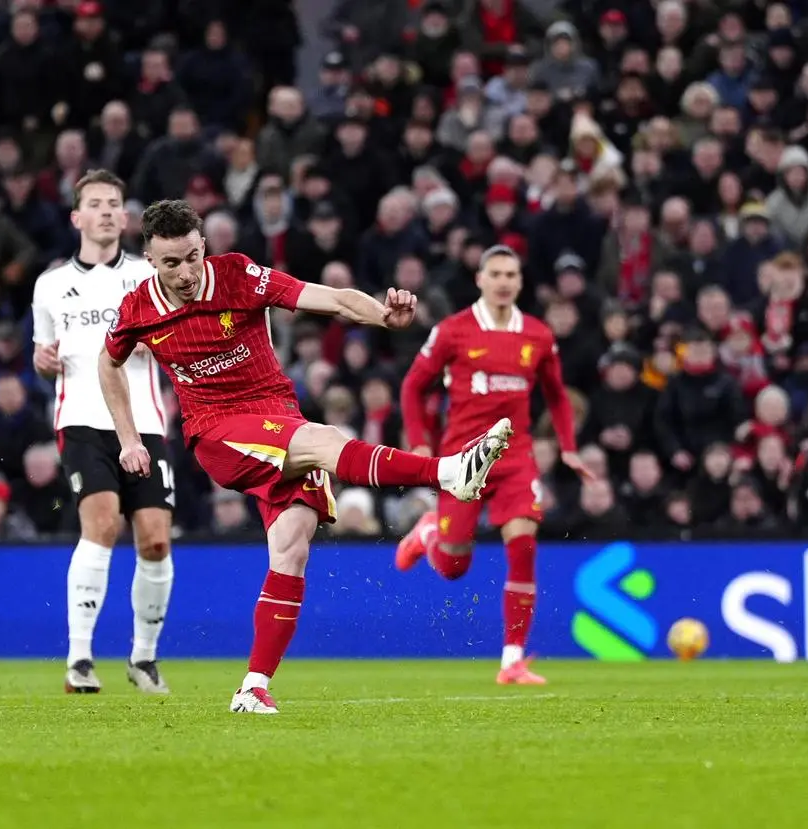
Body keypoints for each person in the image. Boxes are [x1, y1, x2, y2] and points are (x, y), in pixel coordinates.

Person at [99, 200, 511, 714]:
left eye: (191, 258)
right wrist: (129, 438)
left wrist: (382, 316)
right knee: (327, 439)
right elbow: (108, 362)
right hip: (218, 432)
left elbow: (333, 300)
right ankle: (447, 474)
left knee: (291, 550)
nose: (184, 273)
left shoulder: (238, 275)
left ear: (204, 246)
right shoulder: (139, 308)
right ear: (150, 260)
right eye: (170, 263)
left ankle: (252, 686)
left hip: (277, 418)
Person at [395, 245, 588, 685]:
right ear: (480, 279)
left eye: (511, 274)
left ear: (520, 283)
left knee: (523, 548)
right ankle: (428, 533)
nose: (503, 281)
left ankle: (512, 661)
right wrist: (421, 442)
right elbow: (412, 386)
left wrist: (569, 446)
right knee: (454, 568)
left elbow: (557, 394)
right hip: (463, 460)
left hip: (516, 458)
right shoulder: (453, 331)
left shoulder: (537, 335)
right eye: (496, 273)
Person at [31, 169, 175, 695]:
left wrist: (153, 344)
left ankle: (144, 658)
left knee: (156, 542)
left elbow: (174, 339)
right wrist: (43, 360)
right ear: (77, 217)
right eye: (96, 204)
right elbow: (43, 353)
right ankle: (80, 659)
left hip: (144, 422)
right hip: (82, 421)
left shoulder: (147, 277)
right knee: (102, 524)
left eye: (115, 203)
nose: (108, 211)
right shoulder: (50, 285)